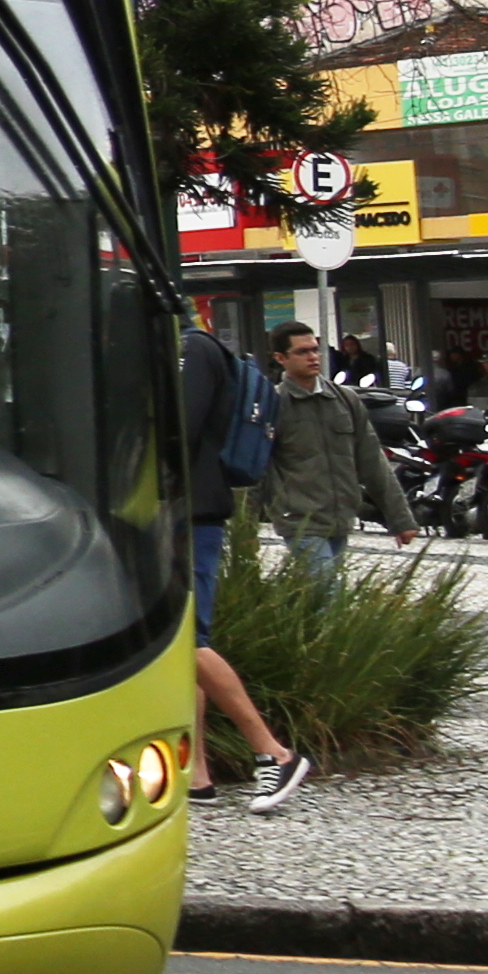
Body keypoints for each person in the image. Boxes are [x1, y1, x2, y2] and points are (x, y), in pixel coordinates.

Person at [178, 309, 309, 808]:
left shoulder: (195, 351)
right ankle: (198, 777)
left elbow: (180, 433)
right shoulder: (198, 351)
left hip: (190, 511)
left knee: (190, 638)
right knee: (181, 647)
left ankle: (274, 753)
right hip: (189, 509)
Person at [258, 328, 418, 591]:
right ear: (281, 358)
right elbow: (256, 468)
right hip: (299, 520)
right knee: (328, 592)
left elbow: (372, 462)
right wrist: (244, 527)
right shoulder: (273, 404)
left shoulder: (345, 399)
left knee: (322, 595)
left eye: (314, 349)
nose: (312, 357)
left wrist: (400, 520)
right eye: (302, 351)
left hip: (340, 518)